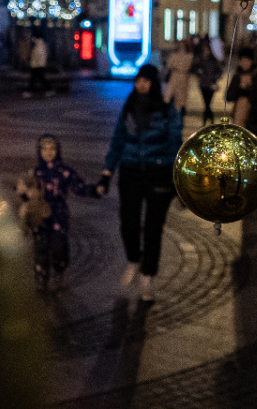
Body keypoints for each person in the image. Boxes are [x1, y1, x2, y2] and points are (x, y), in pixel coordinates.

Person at [95, 64, 181, 302]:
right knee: (128, 223)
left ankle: (148, 277)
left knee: (154, 229)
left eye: (146, 81)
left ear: (153, 83)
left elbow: (175, 147)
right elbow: (117, 142)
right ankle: (134, 258)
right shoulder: (128, 109)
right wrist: (106, 173)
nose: (141, 84)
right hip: (131, 173)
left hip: (159, 174)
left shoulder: (167, 112)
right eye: (138, 80)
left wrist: (177, 180)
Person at [22, 134, 96, 294]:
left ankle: (59, 271)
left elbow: (78, 187)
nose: (48, 152)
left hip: (58, 214)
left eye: (52, 149)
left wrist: (94, 190)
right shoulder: (35, 173)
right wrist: (24, 195)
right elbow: (25, 194)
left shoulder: (64, 171)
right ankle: (41, 275)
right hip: (39, 215)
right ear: (39, 151)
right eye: (44, 149)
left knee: (58, 245)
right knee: (40, 245)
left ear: (57, 151)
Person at [226, 46, 257, 139]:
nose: (244, 63)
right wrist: (240, 88)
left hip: (255, 118)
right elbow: (228, 96)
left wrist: (249, 89)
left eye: (246, 60)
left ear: (251, 61)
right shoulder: (237, 76)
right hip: (239, 118)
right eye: (242, 60)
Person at [193, 38, 222, 124]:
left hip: (211, 84)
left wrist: (214, 78)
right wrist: (199, 73)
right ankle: (209, 121)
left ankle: (206, 121)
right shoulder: (200, 60)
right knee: (206, 104)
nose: (205, 52)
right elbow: (194, 69)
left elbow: (219, 71)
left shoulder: (214, 60)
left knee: (208, 104)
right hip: (203, 84)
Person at [165, 39, 194, 116]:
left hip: (183, 77)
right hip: (175, 77)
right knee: (170, 96)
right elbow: (169, 66)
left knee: (181, 97)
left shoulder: (189, 56)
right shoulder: (174, 55)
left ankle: (179, 113)